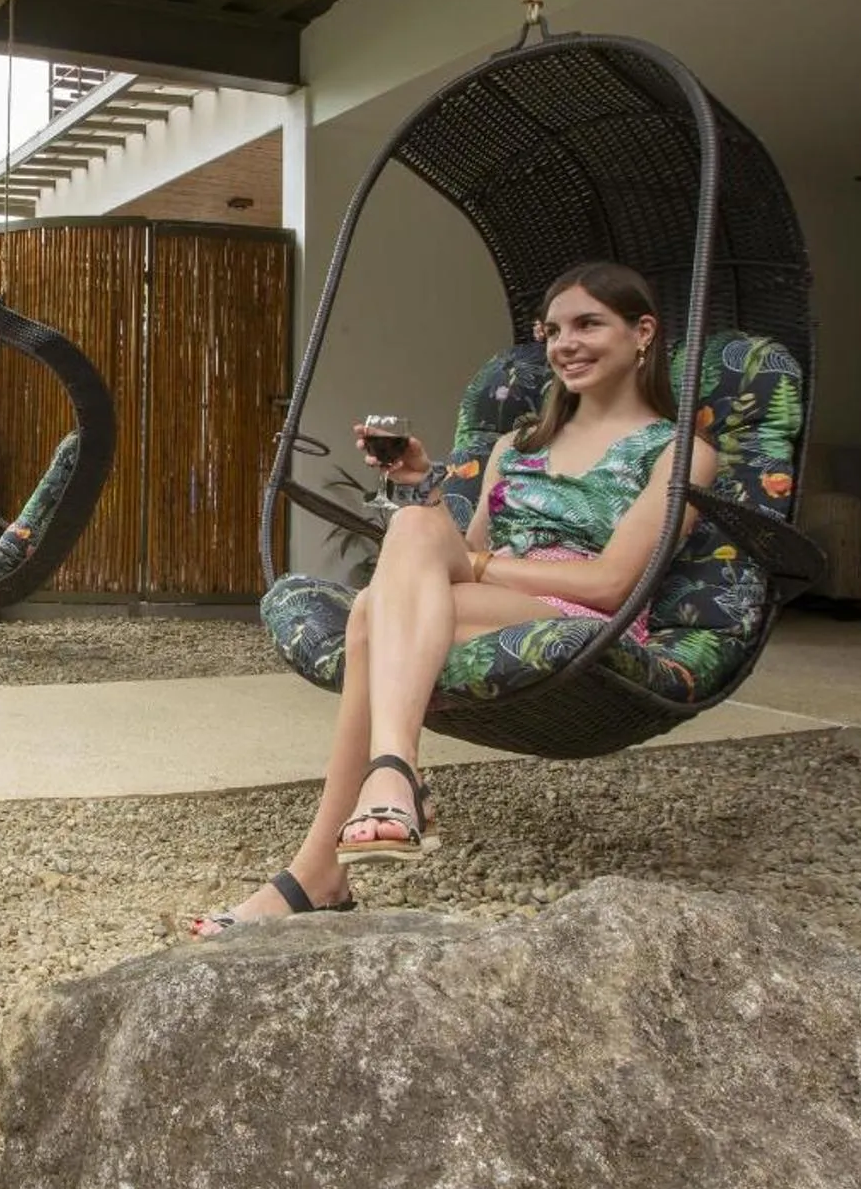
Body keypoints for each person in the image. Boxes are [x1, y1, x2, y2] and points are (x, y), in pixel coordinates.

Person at [192, 261, 716, 935]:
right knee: (406, 533)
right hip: (483, 601)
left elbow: (613, 582)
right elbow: (450, 562)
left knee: (370, 615)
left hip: (587, 618)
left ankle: (327, 857)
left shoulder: (678, 452)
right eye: (552, 330)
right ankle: (381, 787)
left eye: (589, 324)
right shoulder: (515, 446)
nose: (566, 344)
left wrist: (475, 562)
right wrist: (419, 486)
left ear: (642, 333)